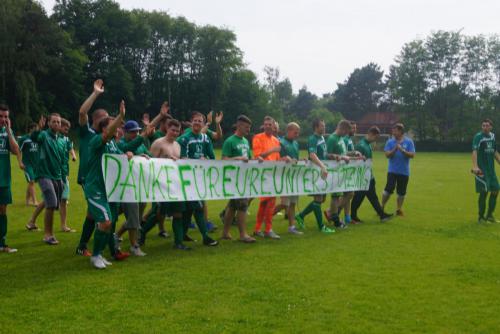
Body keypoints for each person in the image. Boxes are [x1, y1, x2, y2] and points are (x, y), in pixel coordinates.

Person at [86, 101, 131, 269]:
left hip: (108, 190)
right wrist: (120, 116)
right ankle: (95, 255)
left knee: (108, 223)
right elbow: (105, 136)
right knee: (105, 222)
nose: (117, 129)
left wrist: (129, 154)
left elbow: (121, 157)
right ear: (104, 128)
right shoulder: (97, 140)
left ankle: (99, 254)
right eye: (113, 126)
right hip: (95, 188)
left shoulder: (113, 144)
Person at [144, 118, 191, 250]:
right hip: (160, 183)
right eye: (172, 130)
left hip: (175, 184)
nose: (175, 133)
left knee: (178, 213)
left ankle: (178, 242)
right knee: (159, 213)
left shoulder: (178, 145)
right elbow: (150, 163)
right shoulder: (158, 143)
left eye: (177, 131)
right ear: (167, 129)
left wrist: (182, 161)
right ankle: (141, 233)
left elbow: (178, 163)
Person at [75, 79, 109, 256]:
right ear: (97, 119)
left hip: (100, 179)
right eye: (105, 118)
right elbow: (82, 112)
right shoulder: (86, 132)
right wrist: (95, 93)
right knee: (97, 213)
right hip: (88, 178)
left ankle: (83, 245)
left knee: (91, 213)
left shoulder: (106, 137)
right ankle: (95, 246)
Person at [177, 112, 219, 246]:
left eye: (199, 121)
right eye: (195, 120)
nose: (197, 123)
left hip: (200, 179)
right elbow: (182, 159)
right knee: (199, 207)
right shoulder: (184, 139)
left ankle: (182, 235)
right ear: (191, 122)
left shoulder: (205, 138)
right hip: (187, 179)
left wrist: (206, 159)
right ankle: (205, 237)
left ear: (203, 123)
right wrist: (197, 161)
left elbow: (212, 157)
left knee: (190, 209)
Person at [115, 119, 154, 256]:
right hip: (126, 186)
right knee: (133, 217)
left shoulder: (141, 144)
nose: (136, 134)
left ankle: (116, 235)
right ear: (125, 132)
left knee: (136, 217)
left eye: (137, 131)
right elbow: (118, 157)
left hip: (140, 186)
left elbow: (151, 157)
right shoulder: (120, 144)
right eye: (132, 132)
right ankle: (134, 245)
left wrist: (145, 156)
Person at [221, 115, 260, 243]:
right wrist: (237, 158)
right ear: (239, 125)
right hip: (235, 179)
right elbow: (224, 160)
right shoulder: (230, 141)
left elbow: (248, 159)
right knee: (243, 207)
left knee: (232, 207)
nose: (248, 129)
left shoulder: (245, 141)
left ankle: (225, 232)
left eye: (249, 127)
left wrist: (257, 159)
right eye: (246, 127)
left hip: (244, 178)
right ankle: (243, 234)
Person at [294, 119, 335, 233]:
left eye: (324, 126)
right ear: (316, 127)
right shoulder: (313, 139)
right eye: (322, 126)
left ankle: (300, 215)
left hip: (322, 171)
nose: (324, 128)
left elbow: (324, 154)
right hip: (316, 171)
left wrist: (333, 157)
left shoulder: (322, 138)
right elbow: (312, 155)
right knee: (318, 199)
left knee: (321, 199)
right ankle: (321, 227)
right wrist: (322, 166)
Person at [30, 113, 65, 245]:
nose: (57, 124)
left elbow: (60, 160)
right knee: (51, 202)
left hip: (57, 176)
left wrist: (62, 175)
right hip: (44, 175)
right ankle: (48, 235)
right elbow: (34, 137)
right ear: (49, 123)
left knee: (54, 205)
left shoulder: (60, 139)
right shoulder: (44, 135)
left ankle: (32, 222)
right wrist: (39, 127)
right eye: (54, 122)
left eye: (59, 122)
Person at [350, 126, 393, 223]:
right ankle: (344, 215)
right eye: (375, 138)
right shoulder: (361, 145)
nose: (375, 140)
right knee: (360, 197)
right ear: (371, 134)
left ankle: (382, 215)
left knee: (369, 197)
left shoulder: (367, 144)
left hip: (369, 176)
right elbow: (355, 161)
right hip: (363, 176)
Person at [252, 116, 282, 239]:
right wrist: (271, 150)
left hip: (273, 175)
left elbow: (277, 159)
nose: (268, 126)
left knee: (266, 203)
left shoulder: (276, 140)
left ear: (274, 126)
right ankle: (266, 229)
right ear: (263, 125)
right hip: (262, 174)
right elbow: (257, 156)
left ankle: (259, 229)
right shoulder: (257, 137)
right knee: (267, 203)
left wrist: (286, 160)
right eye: (266, 124)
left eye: (270, 124)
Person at [0, 104, 23, 253]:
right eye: (1, 116)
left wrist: (8, 131)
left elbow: (16, 150)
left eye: (6, 117)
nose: (3, 119)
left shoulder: (7, 132)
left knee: (2, 211)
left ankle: (2, 244)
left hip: (3, 178)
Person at [273, 122, 303, 234]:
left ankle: (291, 227)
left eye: (298, 132)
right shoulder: (280, 142)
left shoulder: (296, 143)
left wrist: (301, 161)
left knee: (293, 203)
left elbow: (295, 159)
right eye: (296, 132)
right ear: (289, 130)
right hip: (283, 177)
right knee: (284, 204)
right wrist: (283, 158)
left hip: (294, 178)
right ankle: (265, 218)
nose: (297, 134)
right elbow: (274, 160)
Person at [381, 123, 416, 216]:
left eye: (395, 130)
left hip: (404, 171)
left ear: (400, 131)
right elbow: (387, 155)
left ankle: (399, 209)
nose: (393, 132)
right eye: (393, 130)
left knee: (401, 192)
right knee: (388, 190)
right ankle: (382, 206)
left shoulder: (409, 142)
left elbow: (412, 155)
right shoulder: (390, 142)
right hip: (392, 171)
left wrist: (403, 150)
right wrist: (395, 149)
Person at [324, 120, 351, 228]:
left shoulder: (341, 138)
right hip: (334, 171)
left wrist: (353, 154)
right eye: (346, 132)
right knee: (335, 196)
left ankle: (331, 212)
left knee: (349, 193)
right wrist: (339, 157)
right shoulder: (332, 138)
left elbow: (343, 153)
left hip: (341, 171)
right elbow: (327, 155)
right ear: (342, 128)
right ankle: (336, 220)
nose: (346, 134)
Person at [472, 119, 500, 223]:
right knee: (484, 192)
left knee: (495, 190)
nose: (485, 127)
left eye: (487, 126)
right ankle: (481, 217)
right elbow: (474, 151)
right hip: (482, 171)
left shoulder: (492, 136)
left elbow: (495, 152)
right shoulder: (478, 137)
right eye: (483, 125)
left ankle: (489, 215)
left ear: (491, 127)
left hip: (491, 171)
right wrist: (475, 167)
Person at [59, 119, 77, 232]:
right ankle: (32, 220)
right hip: (55, 174)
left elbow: (71, 148)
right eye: (65, 128)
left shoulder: (66, 139)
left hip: (64, 173)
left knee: (64, 200)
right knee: (49, 201)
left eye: (68, 129)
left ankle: (63, 225)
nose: (66, 130)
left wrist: (74, 156)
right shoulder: (54, 139)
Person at [18, 123, 39, 206]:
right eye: (36, 129)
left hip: (36, 165)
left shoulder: (38, 139)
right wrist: (20, 162)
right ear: (31, 129)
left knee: (31, 182)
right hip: (27, 165)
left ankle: (27, 200)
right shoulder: (24, 139)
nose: (37, 130)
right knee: (32, 181)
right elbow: (18, 150)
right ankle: (34, 201)